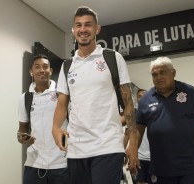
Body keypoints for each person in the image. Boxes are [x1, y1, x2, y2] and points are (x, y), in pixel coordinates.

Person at [52, 6, 139, 184]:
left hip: (107, 146)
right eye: (79, 25)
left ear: (97, 29)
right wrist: (55, 127)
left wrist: (133, 142)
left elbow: (128, 103)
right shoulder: (67, 66)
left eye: (88, 25)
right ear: (73, 30)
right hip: (76, 149)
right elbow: (62, 104)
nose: (83, 29)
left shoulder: (113, 58)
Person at [136, 57, 194, 184]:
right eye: (154, 74)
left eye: (163, 72)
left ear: (173, 73)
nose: (158, 77)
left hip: (191, 166)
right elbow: (138, 130)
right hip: (161, 168)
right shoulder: (145, 100)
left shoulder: (190, 92)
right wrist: (132, 153)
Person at [17, 54, 69, 184]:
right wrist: (22, 137)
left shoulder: (62, 94)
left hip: (61, 164)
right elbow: (22, 128)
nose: (42, 70)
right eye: (37, 67)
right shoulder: (25, 98)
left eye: (45, 67)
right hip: (34, 164)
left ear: (51, 71)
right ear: (31, 72)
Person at [133, 89, 152, 184]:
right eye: (139, 96)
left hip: (154, 158)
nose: (141, 99)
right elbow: (129, 134)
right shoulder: (133, 115)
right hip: (139, 157)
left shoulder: (154, 113)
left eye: (143, 96)